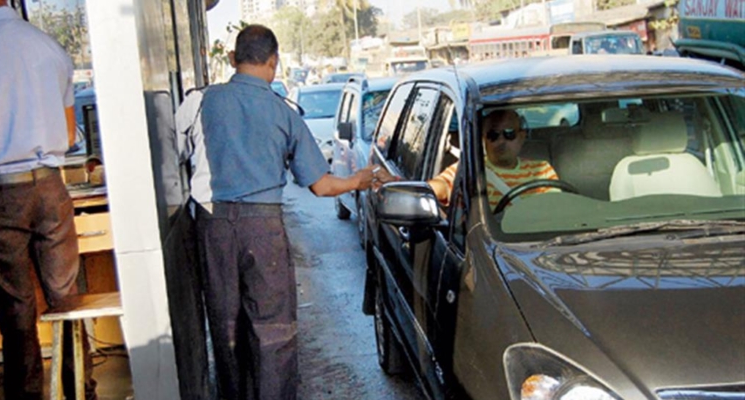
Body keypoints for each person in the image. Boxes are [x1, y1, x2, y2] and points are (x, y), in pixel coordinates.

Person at [197, 24, 392, 400]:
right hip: (263, 229)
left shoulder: (205, 101)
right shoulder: (283, 113)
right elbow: (321, 186)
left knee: (226, 330)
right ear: (274, 62)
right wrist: (359, 180)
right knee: (273, 332)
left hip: (213, 225)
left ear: (234, 59)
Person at [0, 1, 96, 399]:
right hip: (51, 187)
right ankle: (80, 389)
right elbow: (70, 135)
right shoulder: (49, 47)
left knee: (17, 309)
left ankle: (28, 395)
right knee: (65, 299)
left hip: (2, 192)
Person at [428, 109, 558, 209]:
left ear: (521, 136)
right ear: (484, 139)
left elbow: (558, 208)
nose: (501, 141)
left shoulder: (542, 170)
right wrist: (422, 191)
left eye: (509, 133)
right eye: (493, 135)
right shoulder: (468, 170)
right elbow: (441, 186)